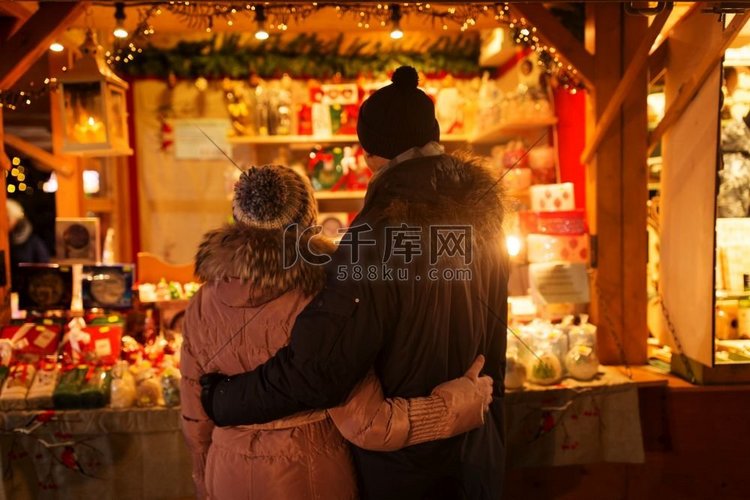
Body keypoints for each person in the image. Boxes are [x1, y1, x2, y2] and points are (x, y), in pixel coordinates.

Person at [201, 66, 509, 499]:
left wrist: (223, 400)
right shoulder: (485, 216)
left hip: (405, 473)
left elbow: (321, 370)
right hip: (477, 456)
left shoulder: (377, 235)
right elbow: (496, 348)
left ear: (369, 156)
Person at [181, 165, 494, 499]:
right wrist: (454, 406)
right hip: (308, 475)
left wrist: (204, 480)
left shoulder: (203, 301)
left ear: (237, 219)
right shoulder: (324, 297)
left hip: (226, 473)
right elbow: (369, 424)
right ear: (308, 220)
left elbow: (194, 415)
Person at [7, 199, 50, 287]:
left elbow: (45, 268)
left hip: (29, 288)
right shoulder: (4, 240)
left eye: (7, 218)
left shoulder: (32, 241)